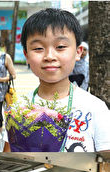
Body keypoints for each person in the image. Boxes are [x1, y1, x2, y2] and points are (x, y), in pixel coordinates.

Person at [21, 8, 110, 152]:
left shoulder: (96, 109)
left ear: (78, 52)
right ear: (26, 54)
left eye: (60, 47)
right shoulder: (19, 107)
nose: (49, 56)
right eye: (38, 48)